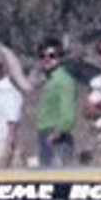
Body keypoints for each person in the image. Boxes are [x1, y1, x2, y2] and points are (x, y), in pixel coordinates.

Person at [34, 37, 77, 166]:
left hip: (56, 138)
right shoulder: (49, 80)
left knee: (57, 177)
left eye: (52, 56)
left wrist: (56, 134)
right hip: (43, 133)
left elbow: (68, 114)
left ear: (60, 58)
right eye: (42, 56)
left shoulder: (64, 80)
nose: (47, 59)